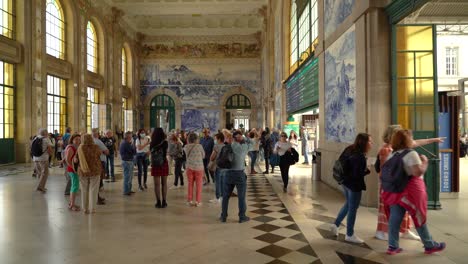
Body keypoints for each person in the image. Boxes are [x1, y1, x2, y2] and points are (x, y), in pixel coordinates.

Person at [374, 125, 445, 241]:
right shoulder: (387, 149)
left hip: (402, 185)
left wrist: (434, 140)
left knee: (403, 209)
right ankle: (382, 231)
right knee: (388, 209)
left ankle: (405, 231)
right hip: (390, 185)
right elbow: (386, 170)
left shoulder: (399, 147)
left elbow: (417, 142)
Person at [330, 133, 373, 244]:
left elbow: (342, 162)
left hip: (344, 182)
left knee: (348, 204)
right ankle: (349, 234)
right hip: (354, 186)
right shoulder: (359, 156)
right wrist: (367, 169)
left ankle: (336, 224)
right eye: (370, 141)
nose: (371, 144)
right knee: (353, 209)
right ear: (364, 143)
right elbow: (357, 175)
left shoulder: (349, 148)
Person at [220, 130, 252, 223]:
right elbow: (252, 143)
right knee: (241, 196)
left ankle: (223, 216)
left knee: (225, 196)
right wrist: (244, 138)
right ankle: (242, 217)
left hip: (228, 173)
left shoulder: (227, 147)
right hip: (239, 174)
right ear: (239, 138)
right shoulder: (243, 147)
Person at [77, 134, 103, 214]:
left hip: (83, 170)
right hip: (95, 170)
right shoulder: (96, 147)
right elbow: (99, 154)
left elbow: (76, 158)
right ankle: (92, 208)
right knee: (94, 189)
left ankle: (85, 208)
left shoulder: (80, 148)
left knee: (84, 189)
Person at [184, 133, 205, 206]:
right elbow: (203, 155)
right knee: (199, 185)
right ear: (196, 139)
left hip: (189, 167)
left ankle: (189, 201)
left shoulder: (186, 147)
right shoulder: (200, 146)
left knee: (190, 184)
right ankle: (198, 201)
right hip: (199, 168)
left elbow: (186, 156)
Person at [151, 128, 169, 208]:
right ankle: (164, 201)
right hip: (163, 163)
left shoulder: (152, 143)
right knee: (164, 183)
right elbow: (166, 152)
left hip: (155, 164)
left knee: (156, 184)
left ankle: (158, 202)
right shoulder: (165, 143)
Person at [32, 128, 52, 193]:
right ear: (46, 133)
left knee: (40, 173)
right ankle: (40, 187)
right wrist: (50, 154)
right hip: (43, 159)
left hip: (35, 158)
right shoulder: (46, 139)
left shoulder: (35, 138)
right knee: (45, 173)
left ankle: (41, 186)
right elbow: (49, 149)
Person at [64, 134, 81, 211]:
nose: (78, 141)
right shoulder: (71, 148)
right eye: (76, 139)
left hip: (74, 169)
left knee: (74, 186)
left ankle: (72, 203)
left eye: (79, 139)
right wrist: (74, 169)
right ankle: (72, 205)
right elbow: (67, 160)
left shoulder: (75, 147)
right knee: (74, 187)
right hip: (72, 170)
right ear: (72, 140)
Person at [92, 128, 109, 204]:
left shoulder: (92, 141)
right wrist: (105, 151)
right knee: (98, 180)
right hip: (100, 162)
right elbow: (106, 151)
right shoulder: (97, 141)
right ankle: (96, 198)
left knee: (98, 180)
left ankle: (97, 197)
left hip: (96, 162)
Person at [209, 132, 225, 203]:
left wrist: (211, 159)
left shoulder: (216, 146)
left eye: (215, 139)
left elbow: (212, 157)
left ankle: (217, 197)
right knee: (222, 181)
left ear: (219, 139)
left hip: (218, 165)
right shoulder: (225, 146)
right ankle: (222, 196)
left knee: (217, 182)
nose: (215, 140)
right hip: (224, 166)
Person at [120, 131, 136, 196]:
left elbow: (133, 151)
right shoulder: (125, 143)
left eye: (131, 136)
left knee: (130, 177)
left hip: (129, 160)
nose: (131, 138)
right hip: (127, 161)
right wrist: (132, 146)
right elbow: (133, 151)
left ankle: (129, 189)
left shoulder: (128, 143)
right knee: (127, 177)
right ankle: (126, 191)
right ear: (127, 137)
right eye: (130, 137)